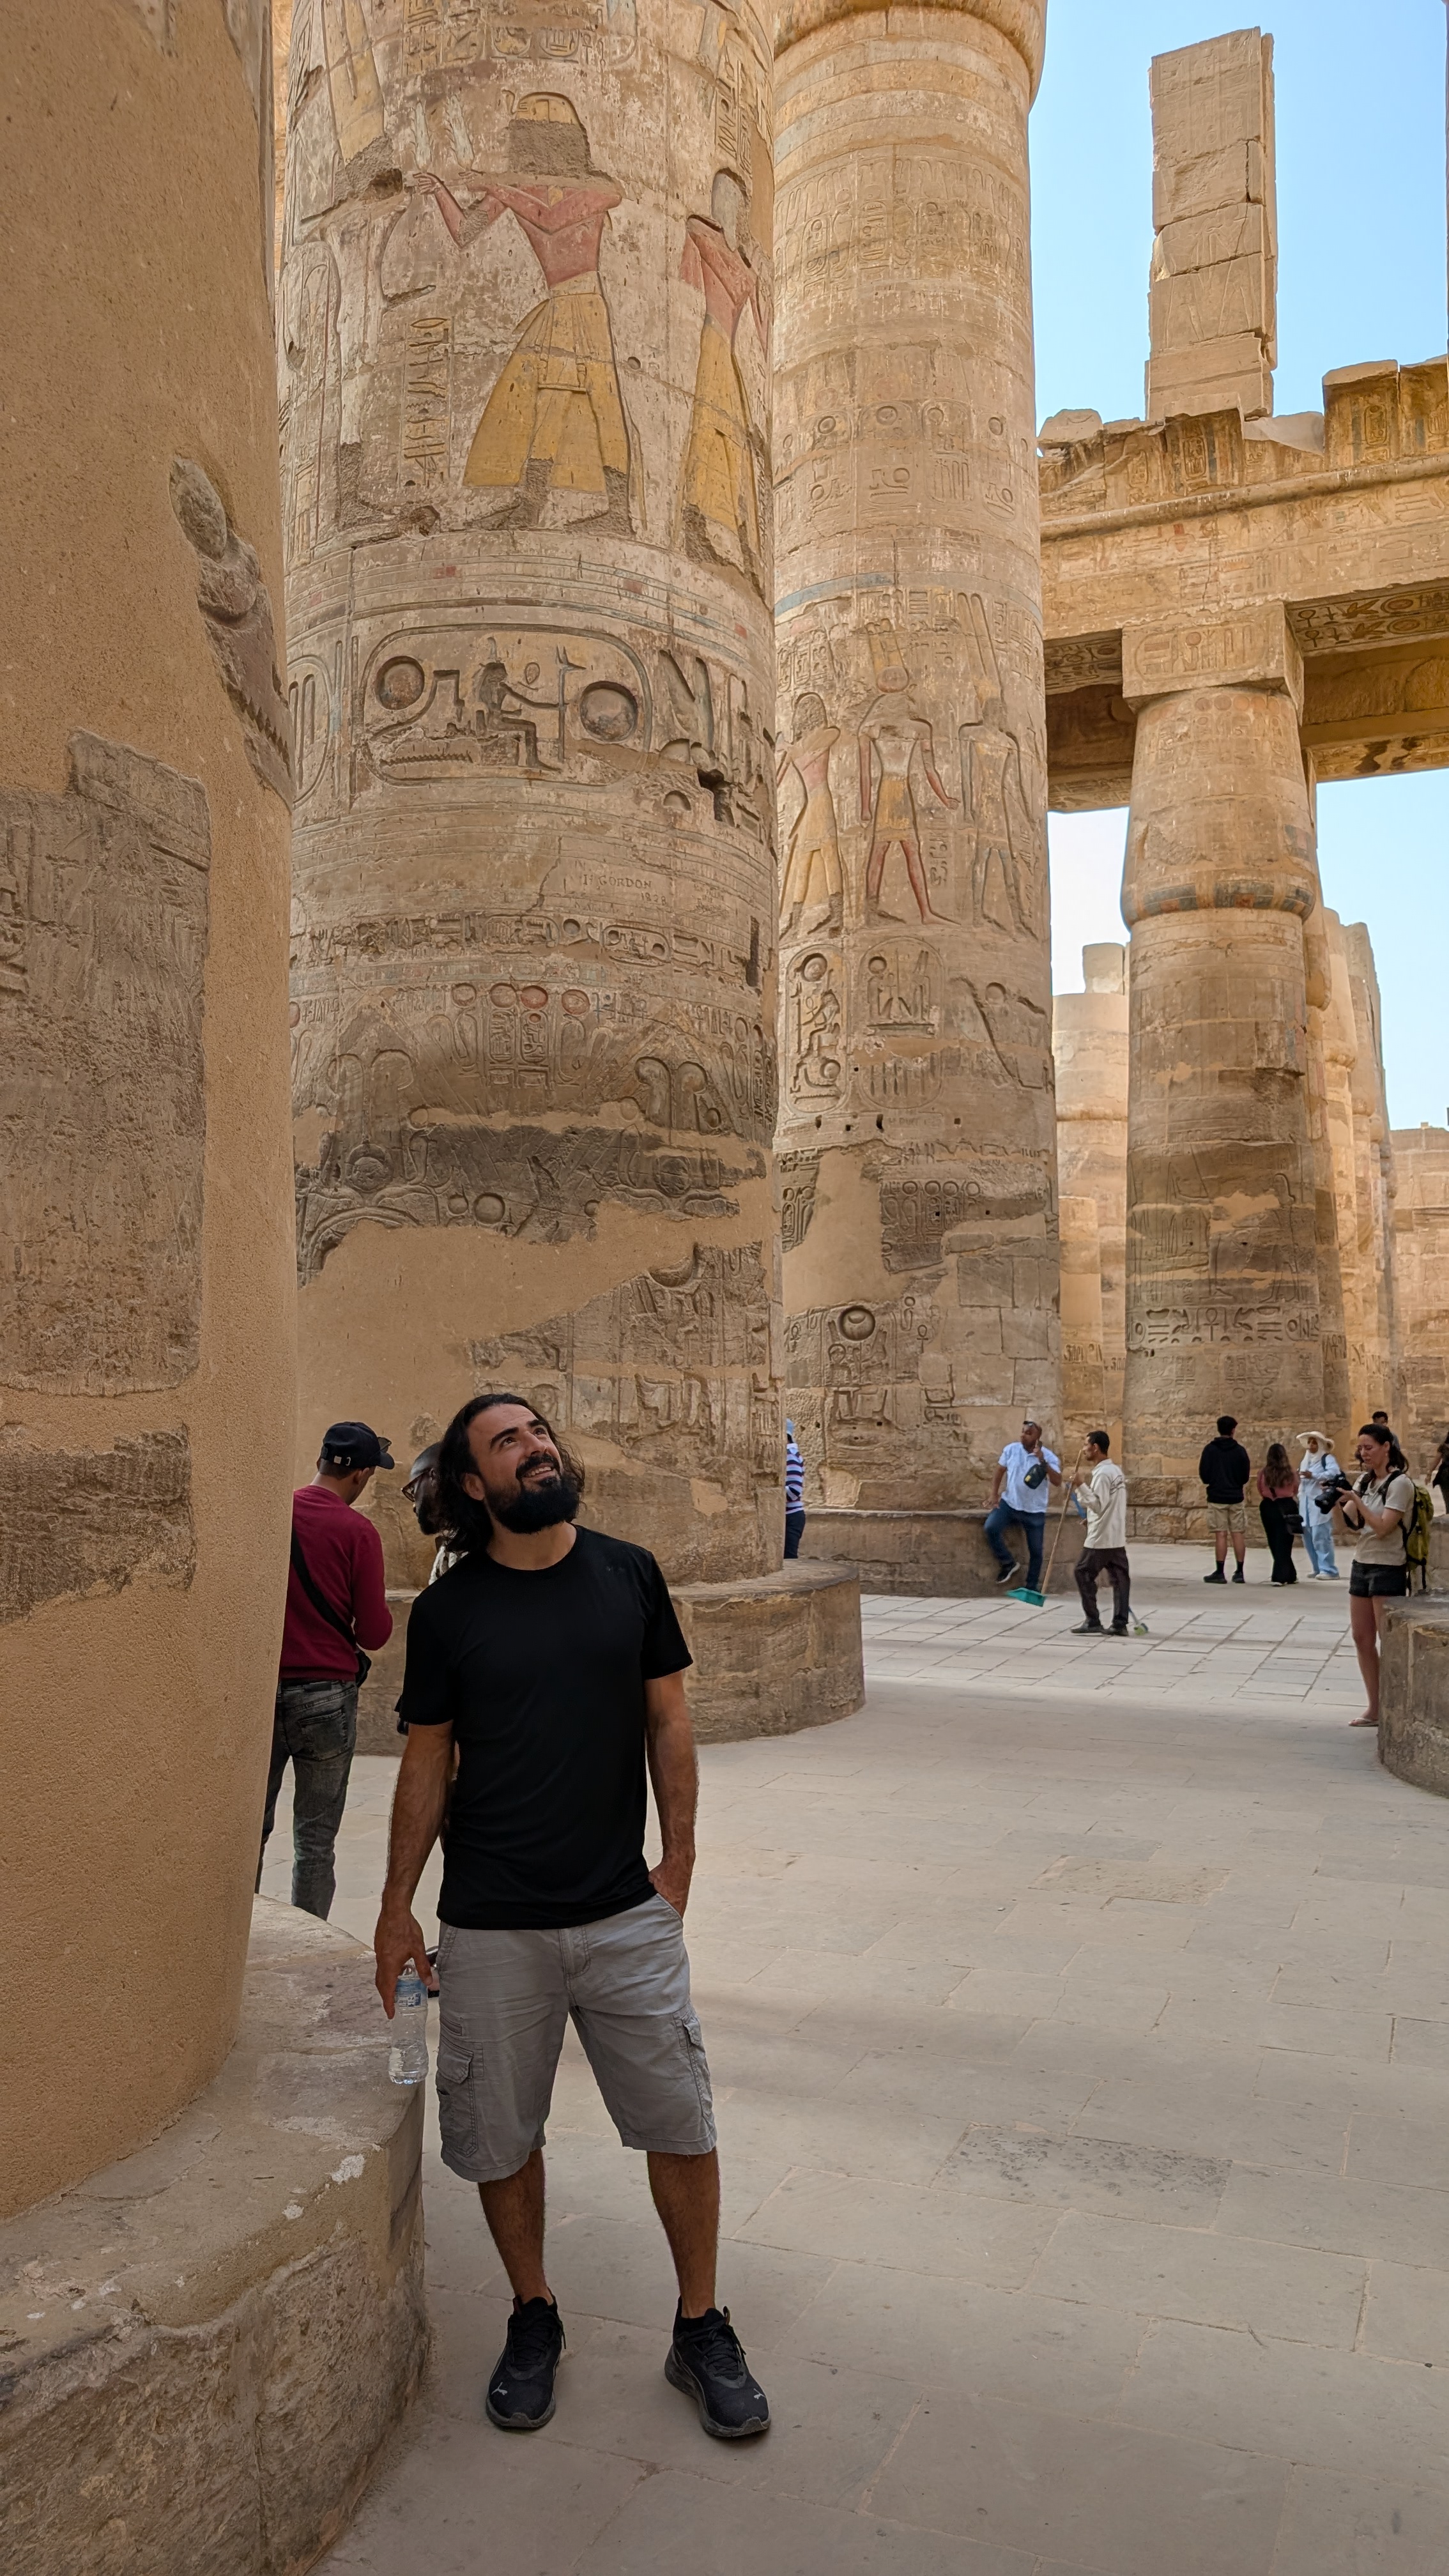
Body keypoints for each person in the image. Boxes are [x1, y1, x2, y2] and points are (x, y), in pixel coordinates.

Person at [372, 1393, 770, 2444]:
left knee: (679, 2123)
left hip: (622, 1917)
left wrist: (677, 1862)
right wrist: (393, 1910)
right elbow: (426, 1762)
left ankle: (699, 2327)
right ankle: (534, 2311)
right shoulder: (451, 1615)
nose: (536, 1446)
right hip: (491, 1923)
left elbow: (669, 1720)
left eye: (539, 1431)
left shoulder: (628, 1573)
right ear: (473, 1484)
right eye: (508, 1441)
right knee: (502, 2137)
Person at [258, 1422, 395, 1918]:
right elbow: (374, 1633)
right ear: (359, 1475)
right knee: (315, 1840)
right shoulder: (358, 1532)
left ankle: (240, 1945)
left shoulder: (274, 1514)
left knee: (253, 1832)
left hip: (263, 1692)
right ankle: (309, 1939)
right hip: (326, 1698)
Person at [1339, 1422, 1416, 1729]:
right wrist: (1337, 1501)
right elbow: (1349, 1524)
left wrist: (1356, 1501)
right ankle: (1375, 1706)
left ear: (1387, 1447)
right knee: (1361, 1638)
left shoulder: (1400, 1484)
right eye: (1361, 1448)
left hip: (1388, 1565)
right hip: (1362, 1563)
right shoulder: (1364, 1481)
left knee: (1388, 1639)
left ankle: (1396, 1704)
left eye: (1369, 1447)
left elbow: (1384, 1528)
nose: (1363, 1453)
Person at [986, 1418, 1062, 1590]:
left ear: (1037, 1437)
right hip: (1010, 1503)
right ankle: (1008, 1563)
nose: (1023, 1436)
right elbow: (999, 1471)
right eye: (1023, 1432)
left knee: (1036, 1551)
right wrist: (994, 1495)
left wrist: (1043, 1462)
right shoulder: (1011, 1450)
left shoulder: (1049, 1457)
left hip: (1034, 1510)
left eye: (1029, 1433)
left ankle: (1031, 1586)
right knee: (991, 1528)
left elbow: (1057, 1481)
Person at [1070, 1431, 1132, 1635]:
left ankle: (1093, 1619)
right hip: (1116, 1535)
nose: (1084, 1448)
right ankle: (1120, 1623)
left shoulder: (1103, 1474)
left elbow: (1097, 1504)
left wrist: (1080, 1485)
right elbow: (1111, 1504)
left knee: (1082, 1572)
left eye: (1086, 1444)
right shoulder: (1116, 1471)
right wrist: (1092, 1518)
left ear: (1095, 1448)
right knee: (1120, 1578)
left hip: (1101, 1538)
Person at [1200, 1414, 1252, 1584]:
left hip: (1216, 1496)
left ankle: (1220, 1571)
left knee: (1220, 1535)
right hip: (1236, 1496)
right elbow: (1245, 1477)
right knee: (1238, 1533)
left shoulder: (1210, 1450)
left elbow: (1204, 1475)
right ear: (1233, 1430)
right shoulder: (1240, 1451)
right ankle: (1240, 1571)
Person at [1296, 1434, 1342, 1576]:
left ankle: (1329, 1569)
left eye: (1314, 1442)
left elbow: (1334, 1473)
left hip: (1319, 1503)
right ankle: (1317, 1567)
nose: (1311, 1445)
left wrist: (1314, 1475)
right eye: (1309, 1442)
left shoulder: (1327, 1459)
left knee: (1321, 1536)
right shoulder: (1306, 1460)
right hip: (1306, 1504)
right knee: (1308, 1536)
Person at [1257, 1443, 1300, 1585]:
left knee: (1274, 1540)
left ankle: (1285, 1574)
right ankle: (1285, 1574)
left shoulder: (1264, 1473)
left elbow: (1260, 1488)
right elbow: (1296, 1489)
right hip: (1287, 1506)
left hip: (1269, 1506)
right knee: (1286, 1541)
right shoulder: (1290, 1473)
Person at [783, 1421, 806, 1560]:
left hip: (791, 1516)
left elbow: (794, 1491)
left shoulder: (789, 1455)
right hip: (788, 1515)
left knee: (789, 1560)